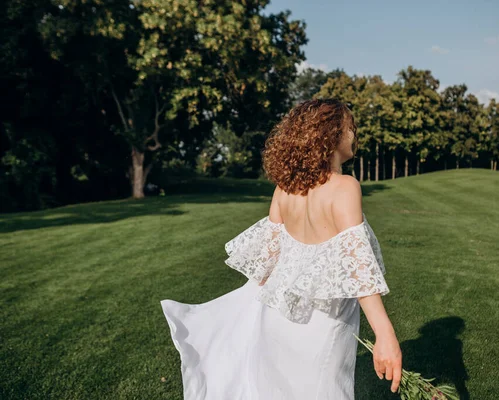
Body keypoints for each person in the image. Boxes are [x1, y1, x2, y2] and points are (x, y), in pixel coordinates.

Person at [160, 98, 402, 399]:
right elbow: (358, 266)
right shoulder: (346, 187)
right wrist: (385, 335)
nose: (354, 135)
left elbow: (266, 266)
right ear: (329, 135)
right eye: (349, 128)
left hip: (276, 320)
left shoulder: (284, 189)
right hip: (323, 325)